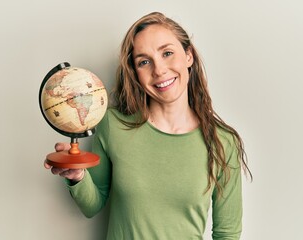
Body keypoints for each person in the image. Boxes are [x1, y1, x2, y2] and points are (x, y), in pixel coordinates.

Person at [45, 11, 252, 240]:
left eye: (167, 53)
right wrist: (78, 176)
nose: (159, 70)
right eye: (144, 61)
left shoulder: (223, 142)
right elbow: (92, 205)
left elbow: (227, 234)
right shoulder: (113, 125)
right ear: (135, 73)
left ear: (189, 56)